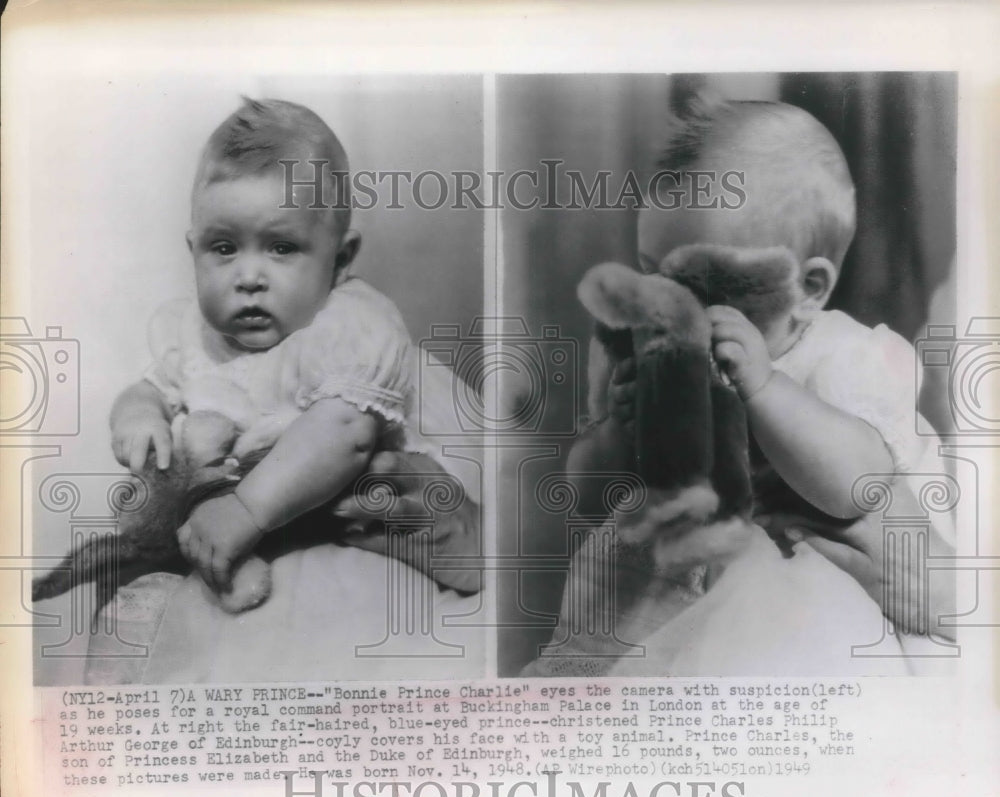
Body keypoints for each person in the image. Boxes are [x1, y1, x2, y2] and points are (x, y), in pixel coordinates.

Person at [531, 98, 954, 676]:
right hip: (658, 589)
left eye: (706, 287)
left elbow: (857, 490)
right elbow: (584, 496)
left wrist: (765, 386)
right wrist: (618, 433)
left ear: (808, 289)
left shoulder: (848, 356)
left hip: (795, 597)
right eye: (652, 273)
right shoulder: (643, 347)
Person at [87, 98, 482, 682]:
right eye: (224, 248)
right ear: (193, 251)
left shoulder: (348, 328)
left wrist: (245, 510)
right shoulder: (192, 336)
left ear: (340, 258)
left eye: (281, 248)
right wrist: (137, 418)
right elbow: (150, 386)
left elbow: (344, 433)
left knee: (323, 630)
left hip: (338, 540)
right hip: (224, 543)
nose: (249, 277)